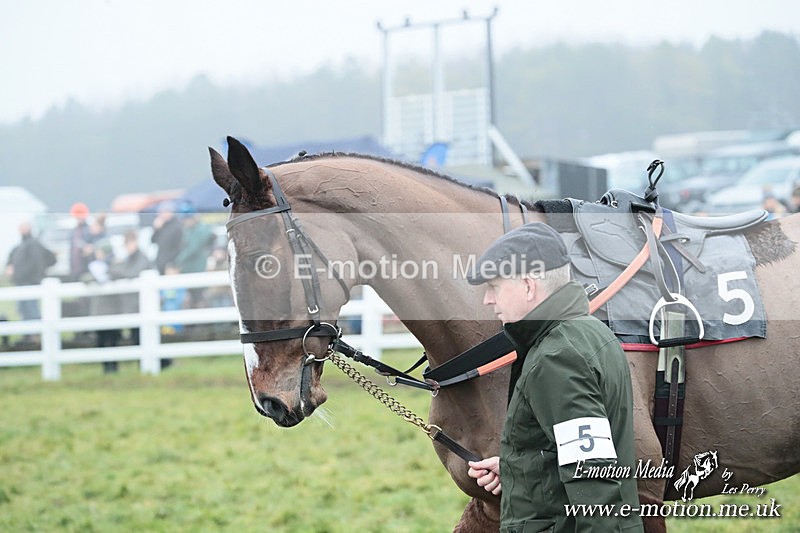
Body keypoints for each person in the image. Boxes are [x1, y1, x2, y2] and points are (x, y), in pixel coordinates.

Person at [465, 222, 643, 532]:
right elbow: (578, 450)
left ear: (528, 286)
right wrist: (517, 469)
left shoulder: (558, 357)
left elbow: (594, 478)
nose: (487, 300)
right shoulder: (591, 333)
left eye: (494, 287)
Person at [5, 221, 56, 326]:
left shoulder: (33, 244)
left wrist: (34, 275)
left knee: (31, 310)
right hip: (22, 282)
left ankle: (34, 335)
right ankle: (29, 334)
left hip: (29, 282)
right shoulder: (21, 245)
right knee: (23, 310)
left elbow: (43, 261)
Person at [151, 201, 183, 275]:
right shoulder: (162, 226)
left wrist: (172, 264)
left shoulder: (177, 226)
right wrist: (156, 229)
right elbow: (153, 241)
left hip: (170, 266)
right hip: (161, 264)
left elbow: (179, 247)